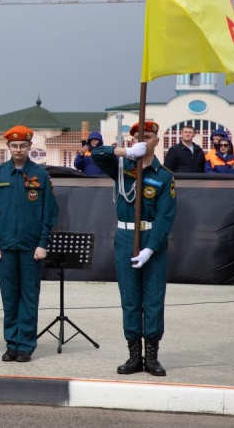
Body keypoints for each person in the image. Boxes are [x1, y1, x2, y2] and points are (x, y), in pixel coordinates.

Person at [91, 121, 176, 377]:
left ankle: (151, 356)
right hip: (126, 236)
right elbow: (95, 153)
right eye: (139, 137)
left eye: (148, 137)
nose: (144, 141)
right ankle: (133, 355)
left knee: (152, 300)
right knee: (130, 300)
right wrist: (125, 153)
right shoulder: (122, 166)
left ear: (157, 141)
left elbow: (165, 217)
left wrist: (151, 248)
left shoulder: (164, 176)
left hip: (152, 238)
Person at [0, 125, 58, 363]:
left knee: (29, 297)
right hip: (5, 247)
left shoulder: (40, 175)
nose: (18, 149)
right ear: (8, 147)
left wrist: (43, 243)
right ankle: (11, 344)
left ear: (29, 147)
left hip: (30, 248)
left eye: (23, 146)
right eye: (14, 146)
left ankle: (26, 344)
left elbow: (49, 212)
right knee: (9, 297)